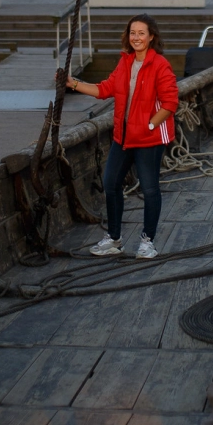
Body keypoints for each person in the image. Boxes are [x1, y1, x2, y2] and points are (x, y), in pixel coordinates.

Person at [65, 14, 178, 260]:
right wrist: (73, 84)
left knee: (149, 190)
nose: (136, 37)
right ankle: (114, 239)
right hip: (123, 137)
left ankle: (148, 241)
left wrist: (150, 125)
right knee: (111, 183)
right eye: (132, 33)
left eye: (141, 33)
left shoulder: (160, 65)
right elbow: (104, 89)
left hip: (149, 139)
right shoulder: (125, 63)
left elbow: (170, 103)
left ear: (151, 37)